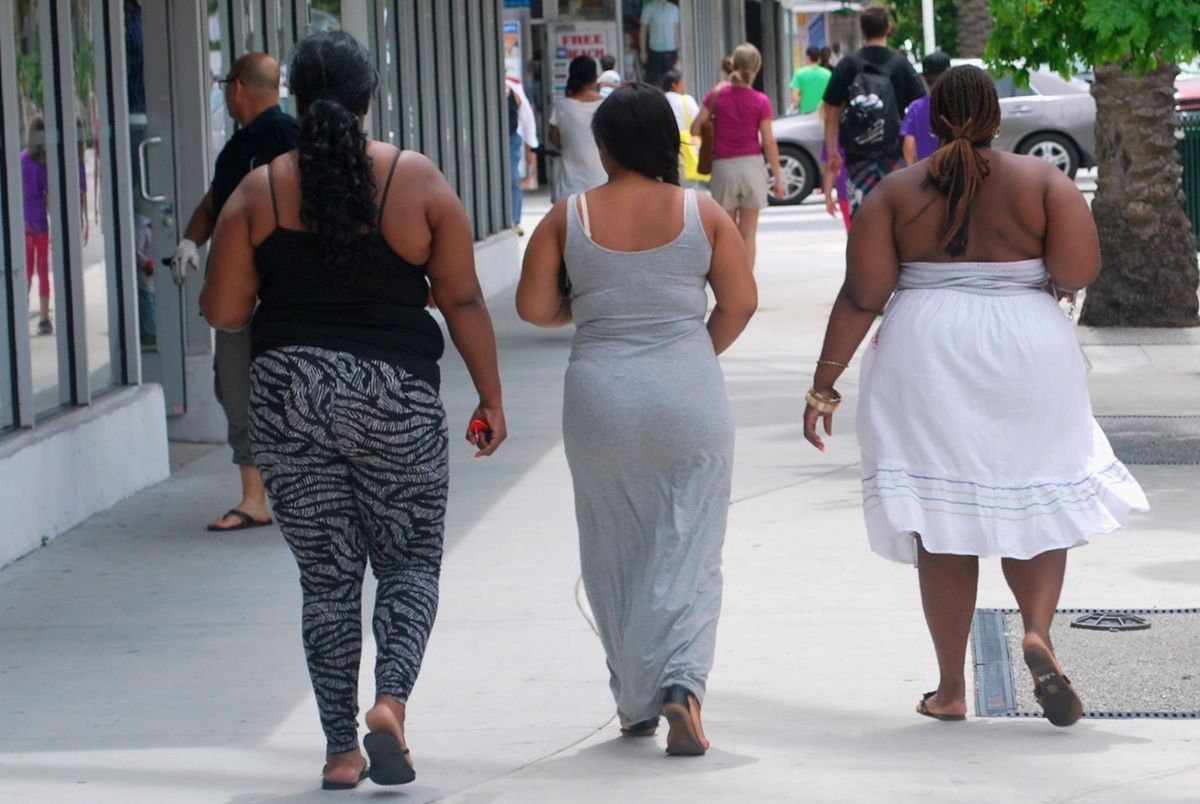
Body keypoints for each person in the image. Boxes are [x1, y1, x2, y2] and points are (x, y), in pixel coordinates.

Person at [200, 31, 506, 789]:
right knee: (408, 560)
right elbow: (463, 297)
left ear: (298, 102)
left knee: (329, 580)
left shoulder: (258, 190)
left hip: (288, 396)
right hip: (394, 397)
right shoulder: (418, 181)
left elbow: (224, 311)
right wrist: (490, 398)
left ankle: (340, 751)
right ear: (372, 99)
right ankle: (390, 704)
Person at [802, 65, 1148, 727]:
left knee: (942, 518)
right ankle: (1039, 635)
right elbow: (1077, 272)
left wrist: (824, 386)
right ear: (998, 119)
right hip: (1028, 347)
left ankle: (952, 689)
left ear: (931, 121)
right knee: (1037, 494)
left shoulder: (895, 195)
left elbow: (862, 296)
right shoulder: (1045, 182)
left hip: (925, 350)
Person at [517, 83, 756, 756]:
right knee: (692, 547)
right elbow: (739, 301)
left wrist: (591, 311)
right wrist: (689, 353)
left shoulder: (569, 217)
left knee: (613, 546)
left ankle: (633, 702)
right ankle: (682, 684)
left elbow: (535, 308)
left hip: (600, 396)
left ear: (606, 145)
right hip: (688, 390)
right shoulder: (702, 212)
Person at [171, 53, 299, 532]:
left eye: (225, 84)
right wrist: (190, 241)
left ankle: (266, 496)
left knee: (263, 386)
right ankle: (254, 497)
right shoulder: (237, 148)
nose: (224, 93)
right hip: (242, 290)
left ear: (239, 87)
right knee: (233, 383)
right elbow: (213, 203)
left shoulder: (284, 136)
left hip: (276, 289)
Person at [821, 5, 925, 216]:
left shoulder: (848, 65)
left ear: (862, 29)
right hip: (893, 152)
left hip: (857, 155)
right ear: (888, 27)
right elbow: (919, 108)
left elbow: (831, 112)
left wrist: (832, 151)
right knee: (897, 214)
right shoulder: (900, 64)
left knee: (863, 216)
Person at [690, 43, 784, 269]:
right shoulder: (761, 101)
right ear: (757, 68)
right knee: (748, 233)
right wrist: (778, 179)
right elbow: (769, 143)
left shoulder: (716, 95)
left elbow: (694, 128)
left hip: (723, 168)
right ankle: (746, 282)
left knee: (725, 233)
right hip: (751, 167)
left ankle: (729, 281)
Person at [20, 115, 88, 336]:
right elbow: (49, 197)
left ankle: (19, 313)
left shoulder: (20, 160)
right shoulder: (44, 165)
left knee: (25, 271)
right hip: (40, 224)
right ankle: (43, 319)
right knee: (42, 270)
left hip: (23, 223)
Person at [549, 56, 607, 201]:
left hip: (569, 189)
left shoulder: (561, 107)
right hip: (602, 183)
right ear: (595, 77)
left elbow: (555, 141)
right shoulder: (608, 106)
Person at [902, 51, 951, 166]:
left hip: (925, 176)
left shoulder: (915, 108)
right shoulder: (960, 105)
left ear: (924, 78)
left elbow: (908, 149)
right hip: (955, 173)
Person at [506, 75, 538, 235]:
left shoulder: (513, 91)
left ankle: (515, 220)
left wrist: (529, 148)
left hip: (512, 140)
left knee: (512, 178)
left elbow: (527, 120)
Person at [640, 0, 681, 85]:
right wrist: (643, 51)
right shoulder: (649, 8)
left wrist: (679, 50)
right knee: (657, 80)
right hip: (655, 51)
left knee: (672, 80)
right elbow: (643, 32)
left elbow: (676, 31)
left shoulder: (674, 9)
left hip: (671, 50)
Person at [790, 45, 831, 115]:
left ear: (807, 57)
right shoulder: (828, 74)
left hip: (804, 115)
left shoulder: (799, 74)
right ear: (819, 59)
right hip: (823, 114)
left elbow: (795, 98)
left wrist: (795, 107)